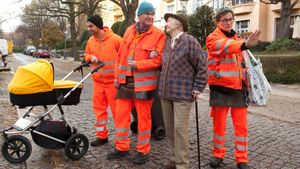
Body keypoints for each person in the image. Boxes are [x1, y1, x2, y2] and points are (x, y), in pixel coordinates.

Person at [106, 1, 166, 165]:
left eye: (153, 14)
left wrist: (139, 64)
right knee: (121, 116)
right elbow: (120, 58)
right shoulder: (129, 31)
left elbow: (159, 61)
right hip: (125, 82)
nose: (150, 17)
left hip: (144, 85)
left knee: (144, 119)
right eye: (147, 13)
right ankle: (121, 147)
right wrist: (117, 78)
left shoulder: (159, 35)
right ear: (139, 15)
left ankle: (143, 150)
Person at [206, 7, 261, 169]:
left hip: (238, 88)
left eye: (231, 19)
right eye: (225, 19)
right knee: (219, 126)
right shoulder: (212, 38)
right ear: (217, 22)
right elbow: (226, 46)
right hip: (220, 88)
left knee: (241, 127)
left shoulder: (236, 38)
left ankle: (242, 159)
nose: (229, 22)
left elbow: (241, 62)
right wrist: (244, 44)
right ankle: (218, 155)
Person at [158, 11, 207, 169]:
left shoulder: (189, 41)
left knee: (180, 130)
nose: (166, 23)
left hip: (182, 95)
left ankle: (182, 165)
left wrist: (198, 87)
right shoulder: (167, 42)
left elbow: (202, 66)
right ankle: (174, 158)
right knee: (170, 130)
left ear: (178, 24)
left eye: (169, 21)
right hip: (165, 93)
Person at [84, 14, 122, 146]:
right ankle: (102, 136)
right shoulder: (90, 41)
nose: (88, 28)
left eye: (91, 26)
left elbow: (124, 58)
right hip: (98, 82)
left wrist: (121, 78)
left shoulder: (116, 39)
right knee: (99, 110)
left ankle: (121, 141)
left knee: (118, 113)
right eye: (88, 26)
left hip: (113, 83)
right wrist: (90, 58)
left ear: (98, 26)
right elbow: (86, 55)